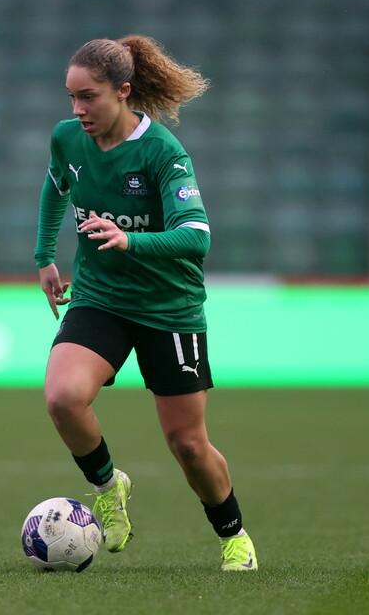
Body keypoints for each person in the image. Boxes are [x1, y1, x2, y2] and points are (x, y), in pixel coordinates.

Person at [33, 35, 257, 571]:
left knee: (187, 444)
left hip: (168, 307)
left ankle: (234, 535)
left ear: (124, 91)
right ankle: (109, 488)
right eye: (71, 97)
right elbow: (55, 187)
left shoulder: (162, 153)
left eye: (89, 97)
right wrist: (45, 256)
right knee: (63, 398)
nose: (77, 110)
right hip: (101, 296)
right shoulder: (68, 139)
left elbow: (197, 235)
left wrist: (131, 239)